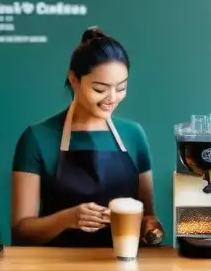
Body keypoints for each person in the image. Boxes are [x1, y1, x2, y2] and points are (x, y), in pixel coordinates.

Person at [10, 27, 164, 247]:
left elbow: (148, 218)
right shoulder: (36, 138)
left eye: (121, 88)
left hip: (124, 267)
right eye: (100, 89)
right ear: (74, 80)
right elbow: (20, 232)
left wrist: (152, 231)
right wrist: (68, 218)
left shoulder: (134, 135)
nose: (112, 98)